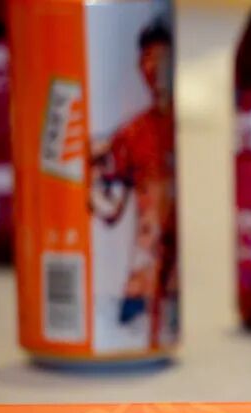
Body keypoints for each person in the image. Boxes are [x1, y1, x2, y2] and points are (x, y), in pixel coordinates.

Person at [88, 17, 176, 348]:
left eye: (162, 59)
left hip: (174, 282)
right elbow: (108, 209)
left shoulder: (181, 129)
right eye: (148, 60)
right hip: (142, 278)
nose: (154, 69)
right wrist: (90, 171)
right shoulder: (132, 134)